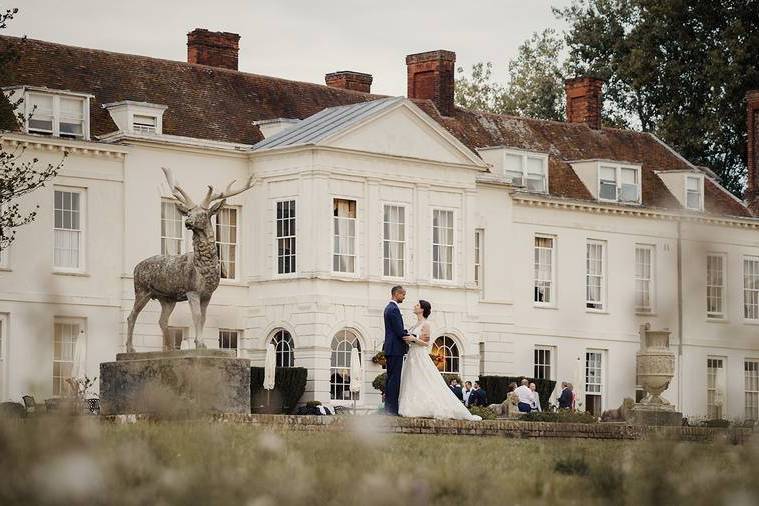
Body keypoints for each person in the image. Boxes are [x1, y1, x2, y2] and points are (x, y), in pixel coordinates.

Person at [398, 300, 481, 421]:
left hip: (419, 355)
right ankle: (412, 407)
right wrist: (409, 339)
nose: (414, 307)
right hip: (412, 355)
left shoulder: (426, 324)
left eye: (417, 305)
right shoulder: (415, 325)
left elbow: (426, 343)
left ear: (422, 309)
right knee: (413, 380)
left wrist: (413, 339)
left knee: (424, 379)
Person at [383, 285, 411, 416]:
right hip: (395, 349)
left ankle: (389, 408)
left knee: (391, 379)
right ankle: (392, 410)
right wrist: (412, 337)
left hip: (391, 348)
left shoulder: (389, 308)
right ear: (396, 294)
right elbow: (399, 331)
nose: (404, 297)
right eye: (403, 295)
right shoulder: (393, 309)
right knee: (394, 379)